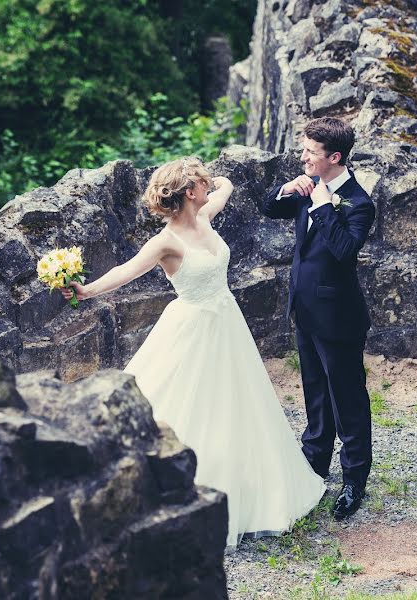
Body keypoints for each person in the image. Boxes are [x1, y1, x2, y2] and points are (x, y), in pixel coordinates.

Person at [62, 156, 325, 550]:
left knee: (236, 405)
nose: (207, 189)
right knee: (184, 404)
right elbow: (126, 271)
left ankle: (244, 484)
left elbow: (227, 188)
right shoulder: (166, 241)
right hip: (192, 326)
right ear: (189, 194)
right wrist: (85, 290)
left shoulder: (205, 216)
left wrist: (213, 179)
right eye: (200, 185)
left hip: (226, 323)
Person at [260, 117, 376, 520]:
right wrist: (286, 189)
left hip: (339, 316)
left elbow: (344, 251)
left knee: (348, 398)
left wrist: (325, 207)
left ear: (335, 157)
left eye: (310, 152)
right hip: (305, 310)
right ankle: (314, 465)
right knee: (315, 392)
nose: (303, 156)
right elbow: (268, 207)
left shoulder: (359, 203)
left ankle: (354, 478)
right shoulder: (306, 186)